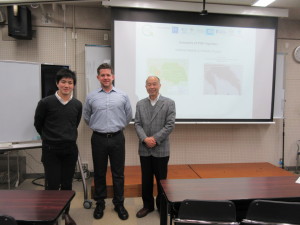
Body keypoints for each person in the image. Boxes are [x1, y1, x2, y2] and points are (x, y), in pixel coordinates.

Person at [83, 63, 132, 220]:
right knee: (99, 173)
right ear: (98, 77)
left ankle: (119, 204)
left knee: (118, 173)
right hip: (98, 138)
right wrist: (99, 127)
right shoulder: (91, 96)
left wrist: (116, 127)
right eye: (102, 75)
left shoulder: (123, 96)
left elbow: (128, 116)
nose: (106, 77)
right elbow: (87, 117)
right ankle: (100, 204)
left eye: (108, 75)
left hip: (117, 137)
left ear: (113, 76)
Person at [34, 68, 82, 225]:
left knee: (67, 184)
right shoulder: (45, 102)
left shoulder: (77, 104)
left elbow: (74, 123)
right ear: (57, 83)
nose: (66, 85)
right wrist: (49, 137)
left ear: (73, 85)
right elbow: (38, 124)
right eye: (63, 82)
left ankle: (65, 214)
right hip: (51, 150)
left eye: (70, 82)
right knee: (52, 184)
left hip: (70, 150)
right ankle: (51, 215)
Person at [134, 76, 176, 218]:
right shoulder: (140, 104)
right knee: (146, 179)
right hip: (144, 148)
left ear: (159, 85)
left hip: (161, 148)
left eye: (154, 84)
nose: (152, 87)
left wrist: (155, 139)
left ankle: (162, 206)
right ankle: (147, 206)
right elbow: (137, 124)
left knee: (161, 180)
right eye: (149, 84)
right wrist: (145, 139)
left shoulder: (169, 103)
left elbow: (170, 125)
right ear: (145, 87)